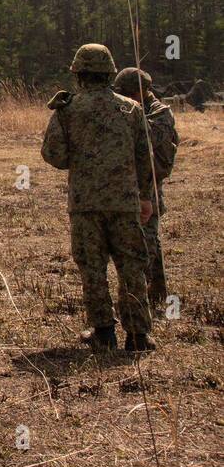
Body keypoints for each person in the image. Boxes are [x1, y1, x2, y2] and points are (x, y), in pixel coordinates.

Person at [42, 45, 156, 351]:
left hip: (85, 204)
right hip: (125, 202)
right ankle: (138, 335)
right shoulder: (132, 109)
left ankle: (104, 331)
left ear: (78, 74)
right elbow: (146, 159)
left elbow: (54, 155)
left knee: (92, 266)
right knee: (131, 264)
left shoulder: (68, 109)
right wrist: (146, 197)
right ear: (109, 73)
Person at [113, 67, 178, 315]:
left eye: (129, 93)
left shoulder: (160, 113)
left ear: (142, 92)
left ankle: (148, 297)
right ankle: (150, 291)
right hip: (131, 184)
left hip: (149, 186)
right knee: (143, 240)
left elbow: (146, 137)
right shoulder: (131, 109)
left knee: (147, 241)